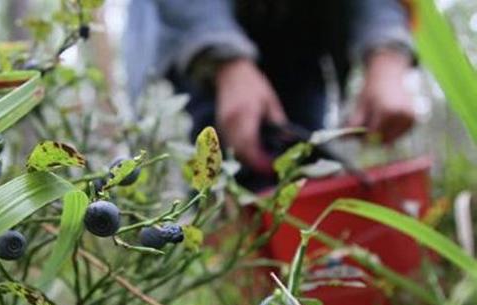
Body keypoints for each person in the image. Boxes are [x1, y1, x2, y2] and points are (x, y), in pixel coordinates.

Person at [124, 0, 416, 190]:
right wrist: (223, 59)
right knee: (225, 168)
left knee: (301, 170)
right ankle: (229, 260)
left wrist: (386, 54)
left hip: (300, 37)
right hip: (192, 27)